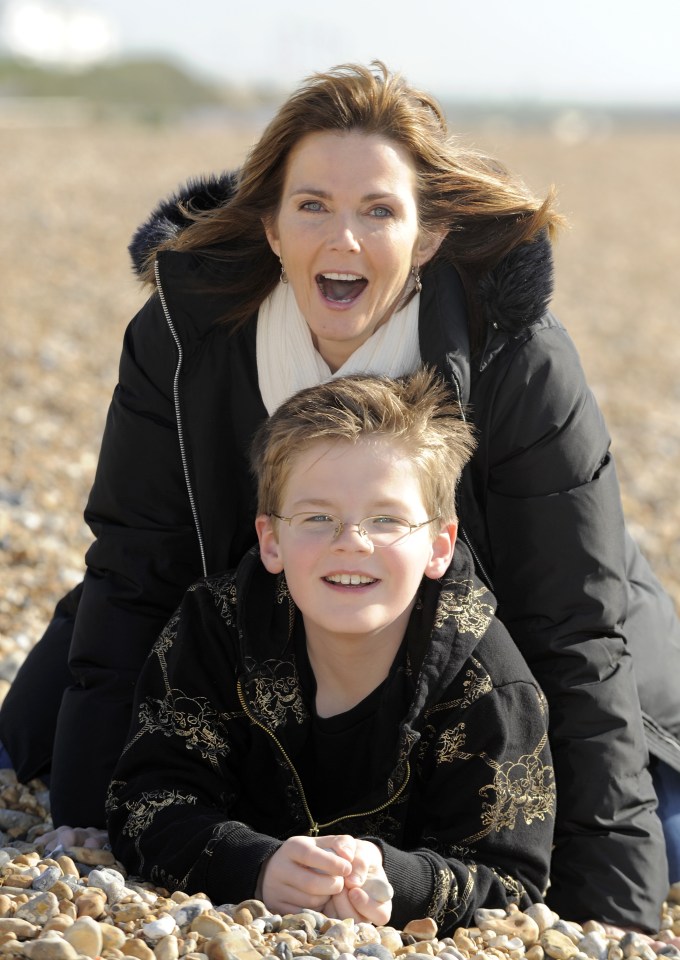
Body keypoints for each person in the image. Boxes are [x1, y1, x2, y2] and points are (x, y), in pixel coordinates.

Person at [1, 61, 678, 929]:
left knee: (648, 839)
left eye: (379, 211)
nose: (344, 239)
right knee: (64, 764)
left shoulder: (520, 354)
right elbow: (138, 563)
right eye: (313, 205)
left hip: (497, 666)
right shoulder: (183, 336)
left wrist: (608, 916)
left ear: (427, 235)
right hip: (264, 654)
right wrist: (88, 826)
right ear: (272, 227)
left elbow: (573, 625)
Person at [106, 370, 556, 931]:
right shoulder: (217, 626)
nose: (352, 541)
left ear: (439, 545)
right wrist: (255, 866)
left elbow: (511, 881)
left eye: (386, 519)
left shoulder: (488, 685)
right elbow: (145, 799)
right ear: (271, 540)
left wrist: (402, 883)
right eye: (318, 517)